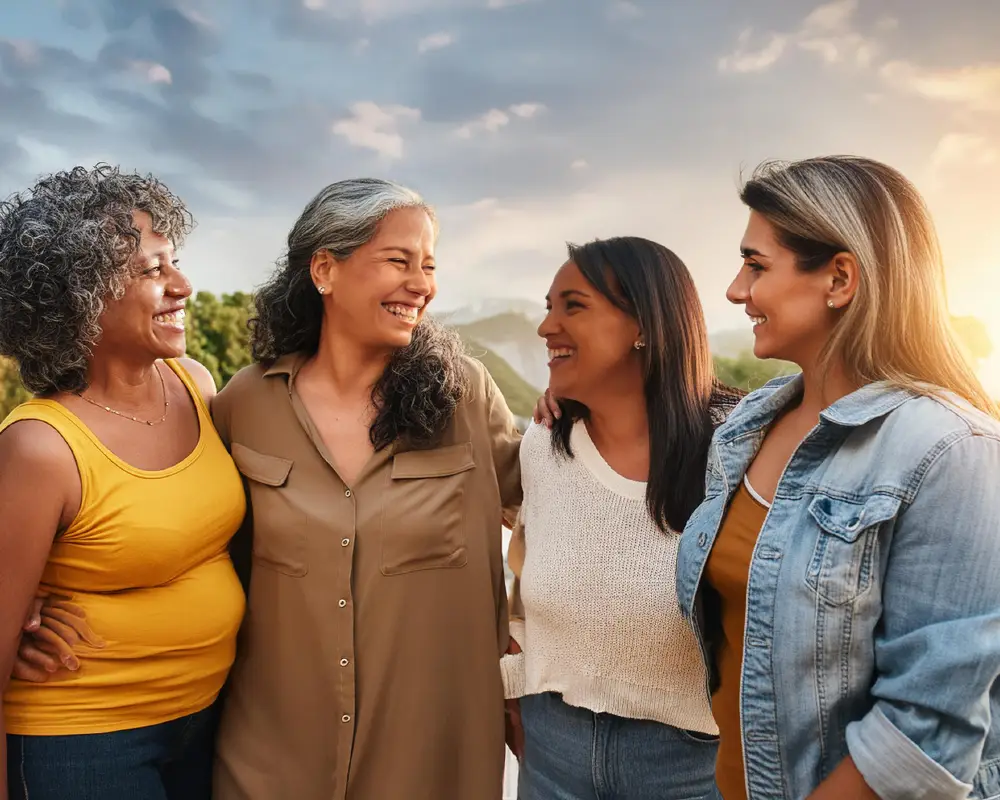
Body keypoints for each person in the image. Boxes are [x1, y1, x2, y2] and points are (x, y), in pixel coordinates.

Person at [674, 156, 1000, 799]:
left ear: (840, 278)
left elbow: (924, 733)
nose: (737, 290)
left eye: (756, 265)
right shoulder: (746, 429)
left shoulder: (952, 453)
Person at [208, 178, 522, 800]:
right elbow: (184, 531)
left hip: (431, 762)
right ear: (325, 268)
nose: (422, 285)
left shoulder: (467, 395)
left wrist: (523, 642)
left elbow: (561, 508)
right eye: (398, 261)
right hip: (269, 761)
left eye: (428, 266)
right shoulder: (244, 403)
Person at [0, 165, 246, 800]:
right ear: (78, 295)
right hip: (82, 743)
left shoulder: (196, 382)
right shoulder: (41, 447)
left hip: (209, 720)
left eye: (175, 262)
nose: (183, 286)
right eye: (152, 270)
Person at [505, 237, 743, 799]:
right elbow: (522, 592)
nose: (546, 327)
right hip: (551, 745)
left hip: (693, 764)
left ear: (644, 324)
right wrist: (513, 692)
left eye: (573, 306)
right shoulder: (543, 447)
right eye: (548, 306)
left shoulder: (738, 447)